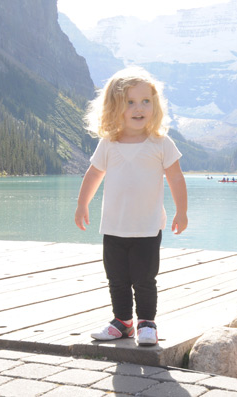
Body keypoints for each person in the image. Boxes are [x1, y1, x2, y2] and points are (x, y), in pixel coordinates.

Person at [74, 67, 188, 347]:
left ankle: (146, 323)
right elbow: (93, 174)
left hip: (147, 228)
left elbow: (175, 177)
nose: (139, 108)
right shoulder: (109, 143)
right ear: (115, 107)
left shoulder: (161, 143)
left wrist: (181, 211)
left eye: (146, 101)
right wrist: (82, 204)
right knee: (117, 279)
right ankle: (122, 322)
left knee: (145, 279)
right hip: (114, 227)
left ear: (155, 105)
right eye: (130, 102)